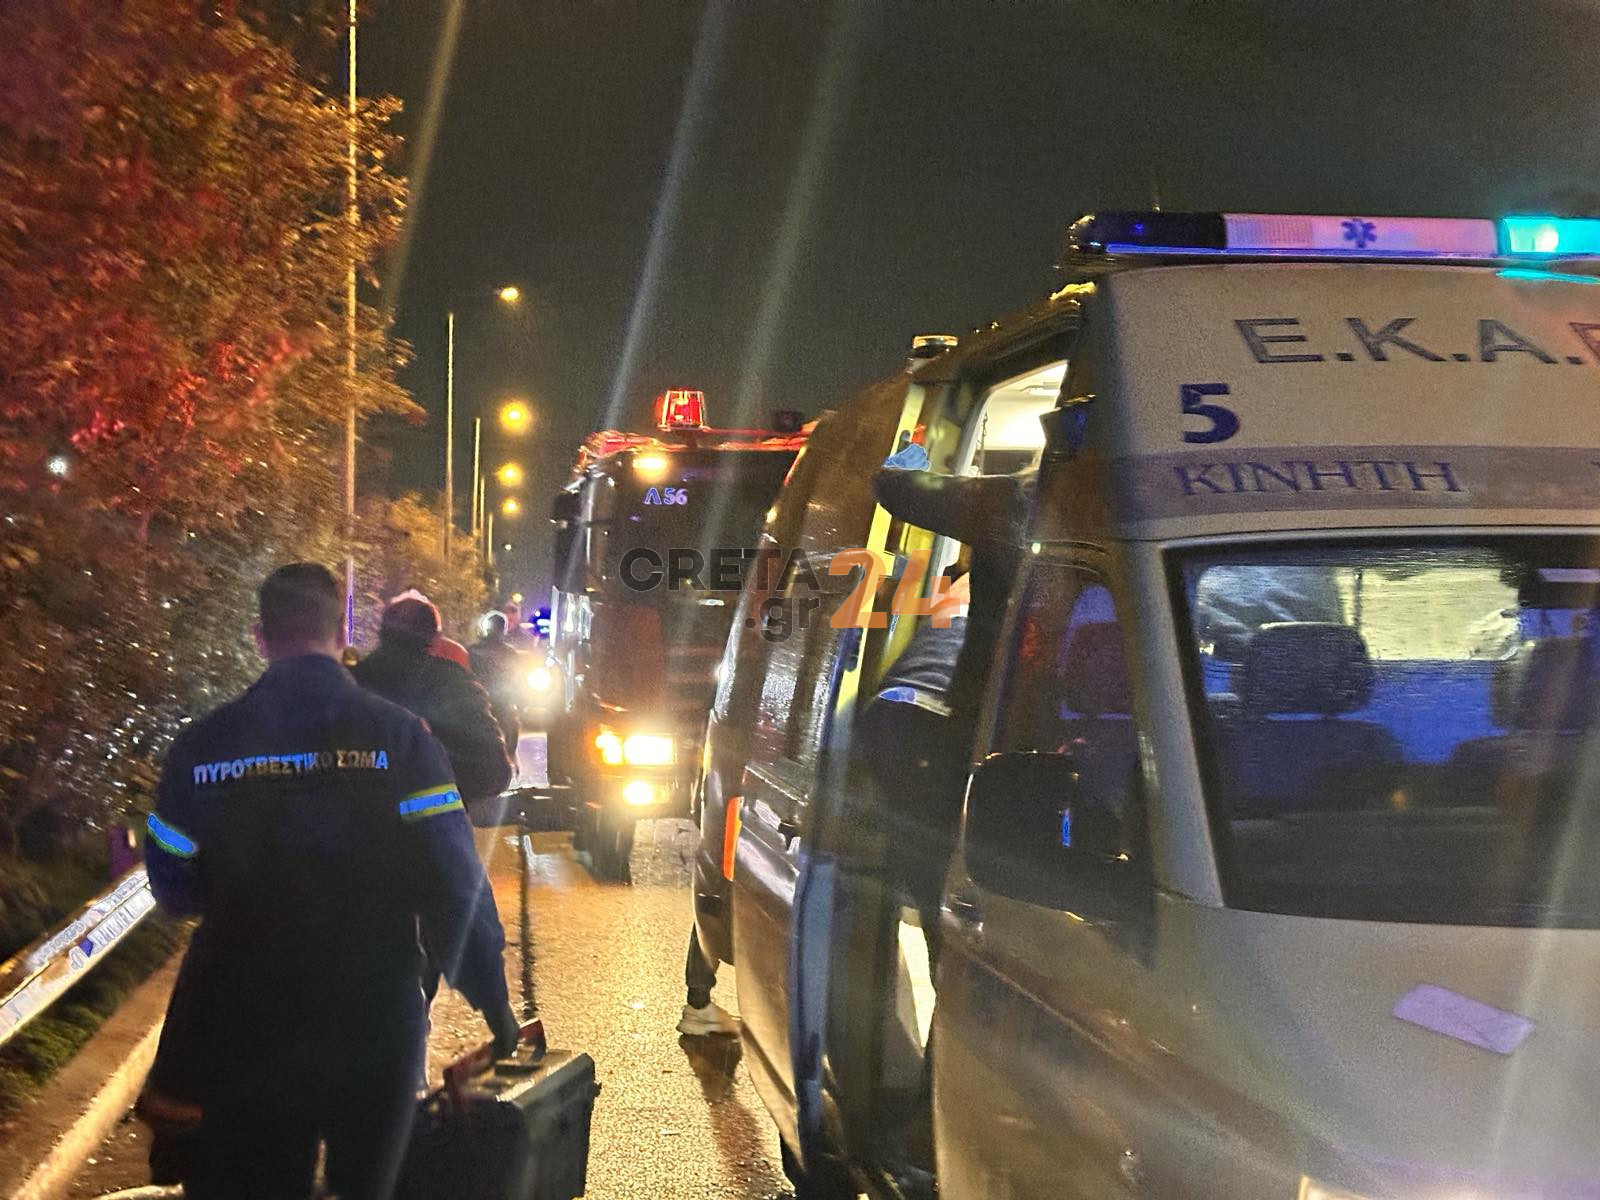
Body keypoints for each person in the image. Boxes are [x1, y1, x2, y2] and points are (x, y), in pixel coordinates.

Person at [144, 563, 518, 1200]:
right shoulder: (400, 739)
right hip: (373, 1017)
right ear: (341, 634)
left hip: (244, 1022)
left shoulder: (201, 747)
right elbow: (453, 880)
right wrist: (492, 997)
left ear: (260, 638)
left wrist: (234, 895)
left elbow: (170, 880)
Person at [353, 595, 513, 812]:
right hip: (432, 825)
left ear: (381, 633)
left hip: (356, 824)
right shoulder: (452, 681)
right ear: (436, 639)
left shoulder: (353, 681)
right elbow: (492, 772)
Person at [469, 612, 526, 755]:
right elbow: (519, 679)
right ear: (503, 630)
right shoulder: (509, 653)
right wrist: (521, 703)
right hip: (495, 701)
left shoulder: (473, 650)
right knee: (511, 730)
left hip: (480, 699)